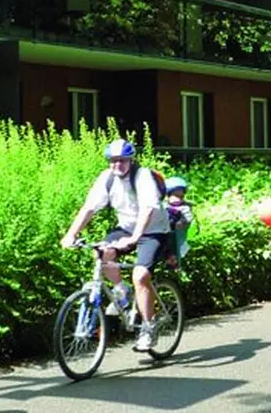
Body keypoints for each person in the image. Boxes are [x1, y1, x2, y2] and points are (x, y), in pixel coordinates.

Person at [60, 139, 171, 352]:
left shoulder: (143, 176)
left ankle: (148, 327)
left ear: (131, 160)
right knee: (101, 255)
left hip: (154, 230)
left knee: (140, 275)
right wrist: (70, 235)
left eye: (122, 160)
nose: (117, 165)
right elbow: (89, 208)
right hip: (126, 228)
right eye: (112, 160)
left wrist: (135, 237)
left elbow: (148, 209)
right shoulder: (107, 178)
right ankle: (121, 290)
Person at [163, 176, 194, 267]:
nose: (178, 199)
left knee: (173, 243)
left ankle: (173, 260)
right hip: (164, 231)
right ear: (167, 196)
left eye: (181, 196)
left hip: (177, 234)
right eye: (175, 196)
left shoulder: (185, 207)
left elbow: (188, 218)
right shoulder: (163, 205)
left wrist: (182, 222)